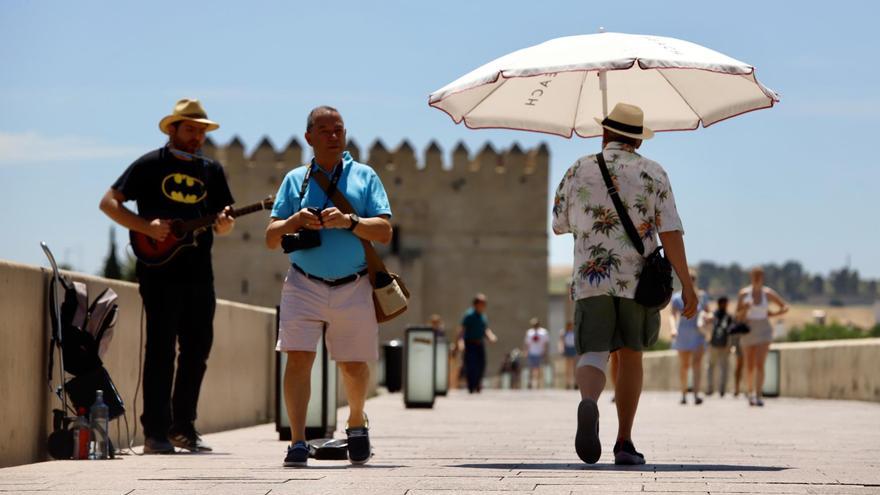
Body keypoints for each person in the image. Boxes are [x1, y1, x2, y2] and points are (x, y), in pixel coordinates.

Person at [552, 102, 697, 465]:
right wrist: (687, 283)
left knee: (593, 352)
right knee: (631, 355)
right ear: (638, 140)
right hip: (638, 283)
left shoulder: (578, 168)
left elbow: (559, 223)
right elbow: (671, 232)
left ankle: (589, 401)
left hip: (591, 279)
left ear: (604, 133)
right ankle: (624, 443)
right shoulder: (654, 172)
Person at [99, 98, 235, 453]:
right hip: (159, 272)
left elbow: (223, 221)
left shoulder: (212, 171)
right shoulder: (149, 165)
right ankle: (155, 433)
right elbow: (108, 202)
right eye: (190, 129)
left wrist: (224, 226)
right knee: (160, 349)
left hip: (200, 273)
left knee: (197, 350)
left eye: (201, 132)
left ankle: (183, 428)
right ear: (172, 129)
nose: (197, 137)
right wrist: (146, 227)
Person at [265, 106, 393, 467]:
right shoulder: (295, 180)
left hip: (354, 284)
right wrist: (295, 219)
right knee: (298, 358)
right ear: (309, 137)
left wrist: (349, 221)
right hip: (303, 283)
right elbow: (271, 238)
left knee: (353, 366)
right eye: (325, 130)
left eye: (339, 129)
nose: (334, 136)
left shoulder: (365, 176)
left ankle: (356, 421)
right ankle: (298, 441)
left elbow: (384, 231)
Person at [736, 267, 789, 407]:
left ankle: (759, 394)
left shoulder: (768, 293)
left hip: (764, 329)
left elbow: (785, 307)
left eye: (759, 276)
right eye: (754, 276)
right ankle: (750, 392)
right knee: (749, 365)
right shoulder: (744, 293)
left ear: (763, 277)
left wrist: (773, 314)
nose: (757, 278)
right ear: (751, 277)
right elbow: (737, 315)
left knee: (760, 363)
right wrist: (745, 308)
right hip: (748, 329)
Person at [670, 269, 710, 405]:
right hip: (683, 333)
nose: (690, 282)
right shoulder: (676, 298)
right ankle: (684, 393)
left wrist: (708, 317)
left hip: (698, 333)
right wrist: (673, 328)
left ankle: (696, 394)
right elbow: (672, 315)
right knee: (684, 365)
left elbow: (708, 312)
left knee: (697, 364)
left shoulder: (702, 296)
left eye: (692, 279)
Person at [456, 293, 498, 393]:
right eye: (482, 303)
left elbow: (485, 329)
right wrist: (460, 342)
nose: (484, 305)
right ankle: (471, 386)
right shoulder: (469, 315)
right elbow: (462, 330)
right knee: (471, 365)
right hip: (470, 344)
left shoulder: (483, 316)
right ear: (476, 304)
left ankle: (478, 384)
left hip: (480, 344)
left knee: (481, 364)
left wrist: (491, 336)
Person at [706, 297, 734, 397]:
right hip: (723, 344)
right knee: (723, 368)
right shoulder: (728, 316)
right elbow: (730, 332)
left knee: (711, 367)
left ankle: (711, 388)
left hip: (714, 344)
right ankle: (721, 389)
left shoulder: (713, 315)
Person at [524, 318, 549, 389]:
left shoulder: (543, 332)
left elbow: (546, 343)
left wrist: (544, 351)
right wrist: (526, 352)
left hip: (540, 353)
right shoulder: (529, 332)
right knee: (530, 368)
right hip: (531, 352)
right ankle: (530, 382)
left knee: (539, 368)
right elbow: (527, 343)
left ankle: (539, 383)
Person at [559, 321, 577, 389]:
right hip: (567, 349)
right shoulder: (563, 332)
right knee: (568, 367)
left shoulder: (574, 332)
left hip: (573, 349)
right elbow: (561, 341)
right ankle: (568, 383)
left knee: (574, 367)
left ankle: (575, 383)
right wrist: (561, 349)